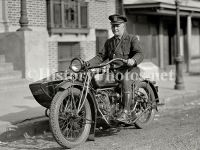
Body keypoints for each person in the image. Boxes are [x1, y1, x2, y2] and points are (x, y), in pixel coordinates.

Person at [87, 14, 144, 122]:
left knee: (126, 79)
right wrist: (87, 64)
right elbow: (100, 57)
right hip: (114, 72)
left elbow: (139, 53)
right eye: (113, 26)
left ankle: (126, 112)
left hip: (130, 70)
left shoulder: (132, 39)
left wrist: (133, 60)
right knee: (96, 80)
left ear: (124, 26)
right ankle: (103, 109)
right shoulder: (109, 42)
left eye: (117, 25)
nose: (115, 28)